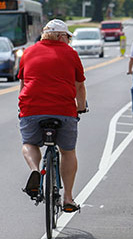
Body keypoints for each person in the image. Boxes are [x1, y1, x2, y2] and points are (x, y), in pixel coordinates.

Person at [18, 19, 87, 213]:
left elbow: (23, 83)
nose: (69, 41)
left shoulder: (28, 52)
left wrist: (23, 105)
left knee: (29, 143)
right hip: (63, 110)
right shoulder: (71, 54)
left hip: (31, 108)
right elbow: (79, 86)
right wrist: (80, 107)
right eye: (67, 37)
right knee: (67, 151)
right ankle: (68, 198)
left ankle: (34, 170)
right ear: (60, 36)